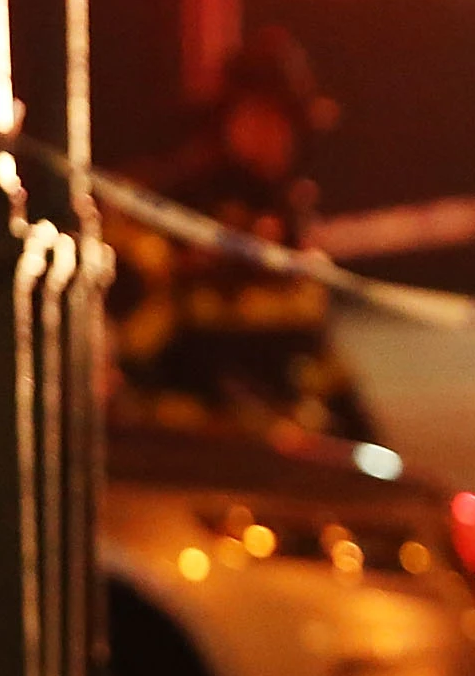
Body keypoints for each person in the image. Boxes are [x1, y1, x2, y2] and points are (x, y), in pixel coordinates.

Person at [112, 30, 377, 443]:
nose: (271, 137)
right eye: (258, 117)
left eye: (283, 123)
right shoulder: (171, 214)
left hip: (276, 455)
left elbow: (319, 360)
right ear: (226, 120)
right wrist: (200, 270)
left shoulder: (289, 228)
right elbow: (134, 348)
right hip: (186, 447)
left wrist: (377, 454)